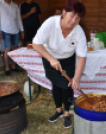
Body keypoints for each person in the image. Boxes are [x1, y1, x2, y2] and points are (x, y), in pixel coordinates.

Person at [32, 0, 87, 128]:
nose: (74, 21)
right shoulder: (51, 23)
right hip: (49, 57)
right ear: (63, 12)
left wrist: (77, 78)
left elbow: (82, 56)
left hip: (67, 60)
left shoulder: (79, 31)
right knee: (56, 84)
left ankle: (67, 114)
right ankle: (58, 111)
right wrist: (51, 59)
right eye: (72, 16)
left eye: (77, 18)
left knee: (68, 86)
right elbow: (36, 43)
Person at [0, 0, 24, 76]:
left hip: (15, 30)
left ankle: (13, 67)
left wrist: (22, 30)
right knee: (7, 50)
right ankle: (7, 68)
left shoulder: (15, 5)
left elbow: (19, 19)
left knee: (14, 49)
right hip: (5, 30)